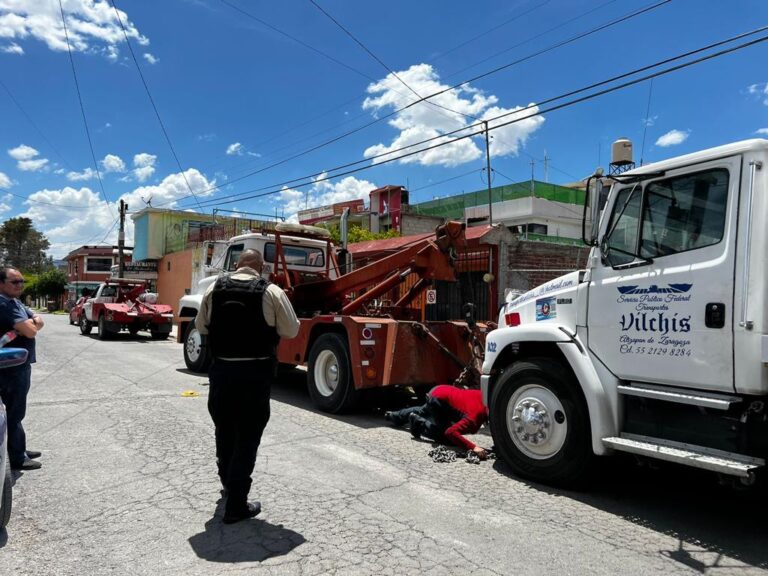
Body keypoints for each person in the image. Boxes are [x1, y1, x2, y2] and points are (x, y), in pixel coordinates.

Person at [196, 249, 300, 524]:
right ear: (261, 267)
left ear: (236, 265)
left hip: (222, 372)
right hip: (255, 374)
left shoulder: (214, 289)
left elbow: (201, 326)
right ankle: (236, 505)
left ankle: (228, 485)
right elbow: (291, 330)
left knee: (224, 429)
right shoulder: (272, 291)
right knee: (248, 436)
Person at [0, 267, 44, 471]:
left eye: (21, 281)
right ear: (1, 284)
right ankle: (17, 457)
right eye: (14, 282)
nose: (20, 285)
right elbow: (31, 331)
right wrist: (31, 325)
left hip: (18, 363)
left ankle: (19, 448)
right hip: (10, 366)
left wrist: (32, 323)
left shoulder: (14, 302)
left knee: (15, 411)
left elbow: (38, 321)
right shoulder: (4, 304)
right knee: (14, 412)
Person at [385, 384, 490, 460]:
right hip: (438, 400)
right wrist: (473, 447)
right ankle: (418, 423)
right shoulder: (474, 417)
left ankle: (393, 416)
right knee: (446, 438)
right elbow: (450, 432)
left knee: (423, 410)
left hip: (439, 390)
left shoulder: (487, 396)